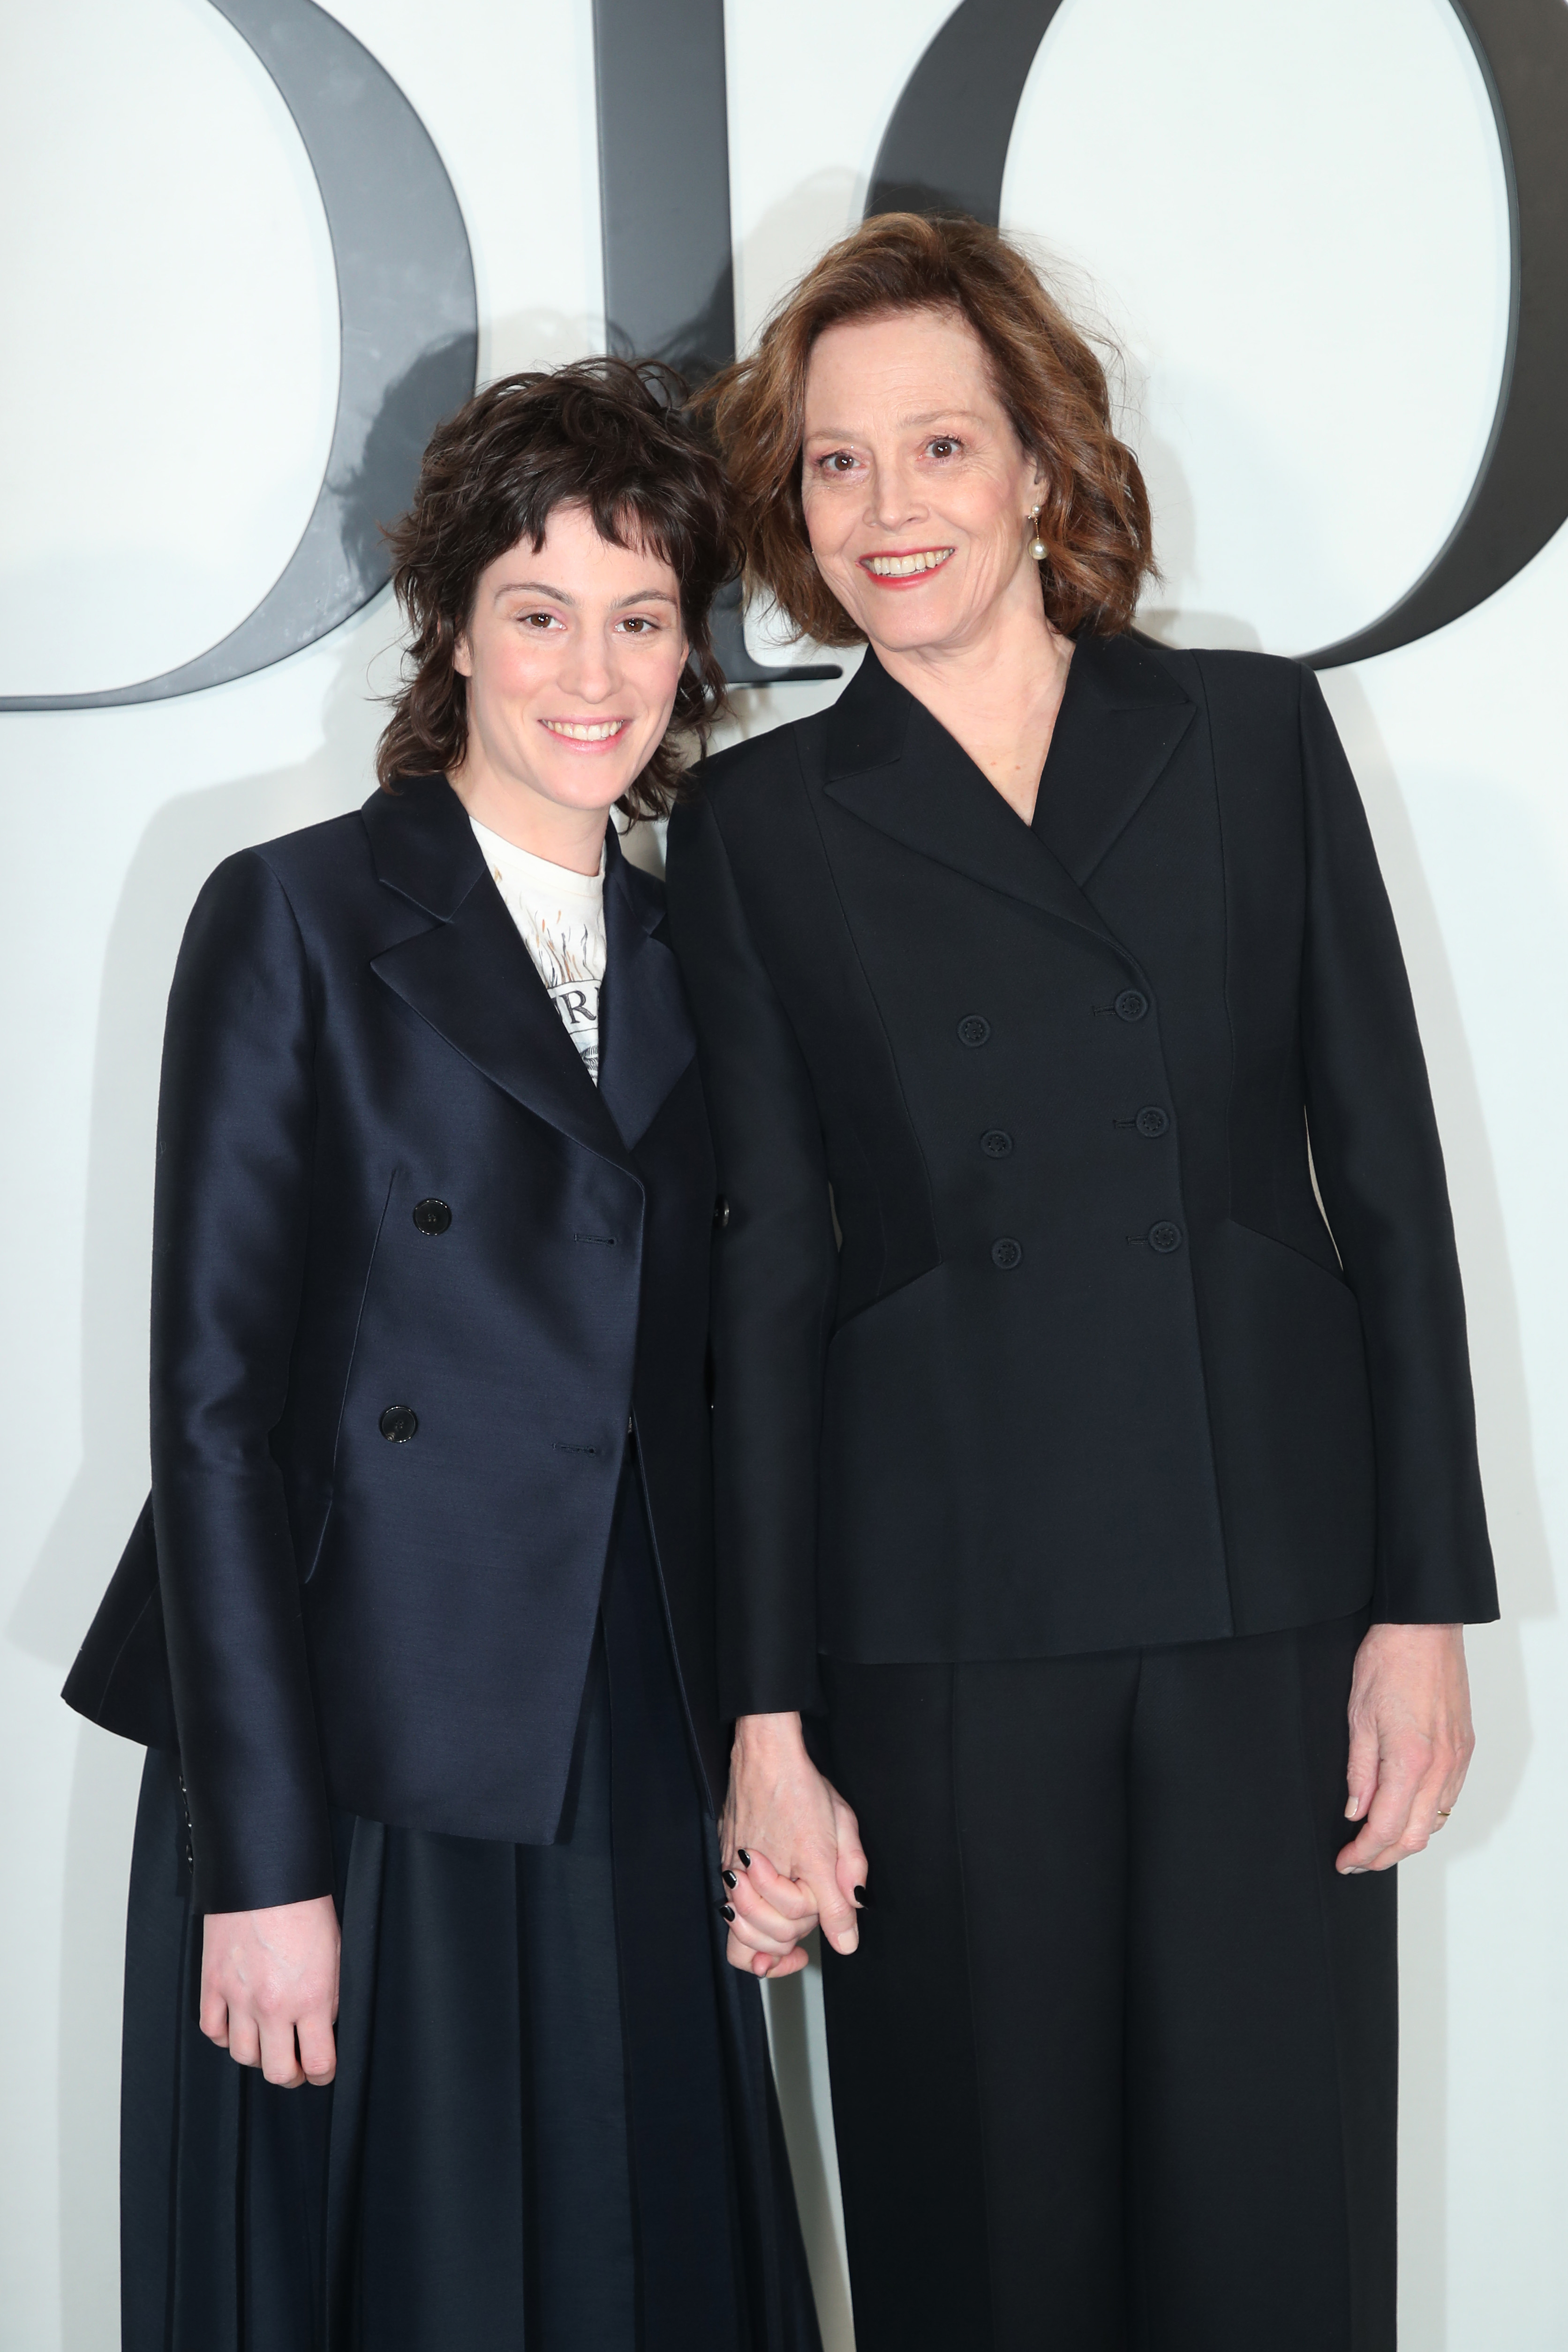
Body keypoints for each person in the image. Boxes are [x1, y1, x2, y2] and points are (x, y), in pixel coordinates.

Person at [665, 212, 1497, 2351]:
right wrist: (767, 1719)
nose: (888, 509)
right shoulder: (759, 828)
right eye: (835, 464)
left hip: (1262, 1600)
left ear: (1040, 462)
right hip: (936, 1628)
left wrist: (1421, 1606)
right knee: (983, 2256)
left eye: (938, 447)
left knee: (1272, 2243)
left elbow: (1385, 1186)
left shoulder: (1249, 735)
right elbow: (766, 1286)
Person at [64, 359, 819, 2352]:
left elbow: (734, 1395)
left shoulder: (705, 956)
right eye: (539, 611)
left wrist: (768, 1747)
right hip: (360, 1752)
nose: (595, 672)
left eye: (641, 618)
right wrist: (262, 1866)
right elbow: (213, 1422)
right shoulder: (297, 917)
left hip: (633, 1736)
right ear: (454, 628)